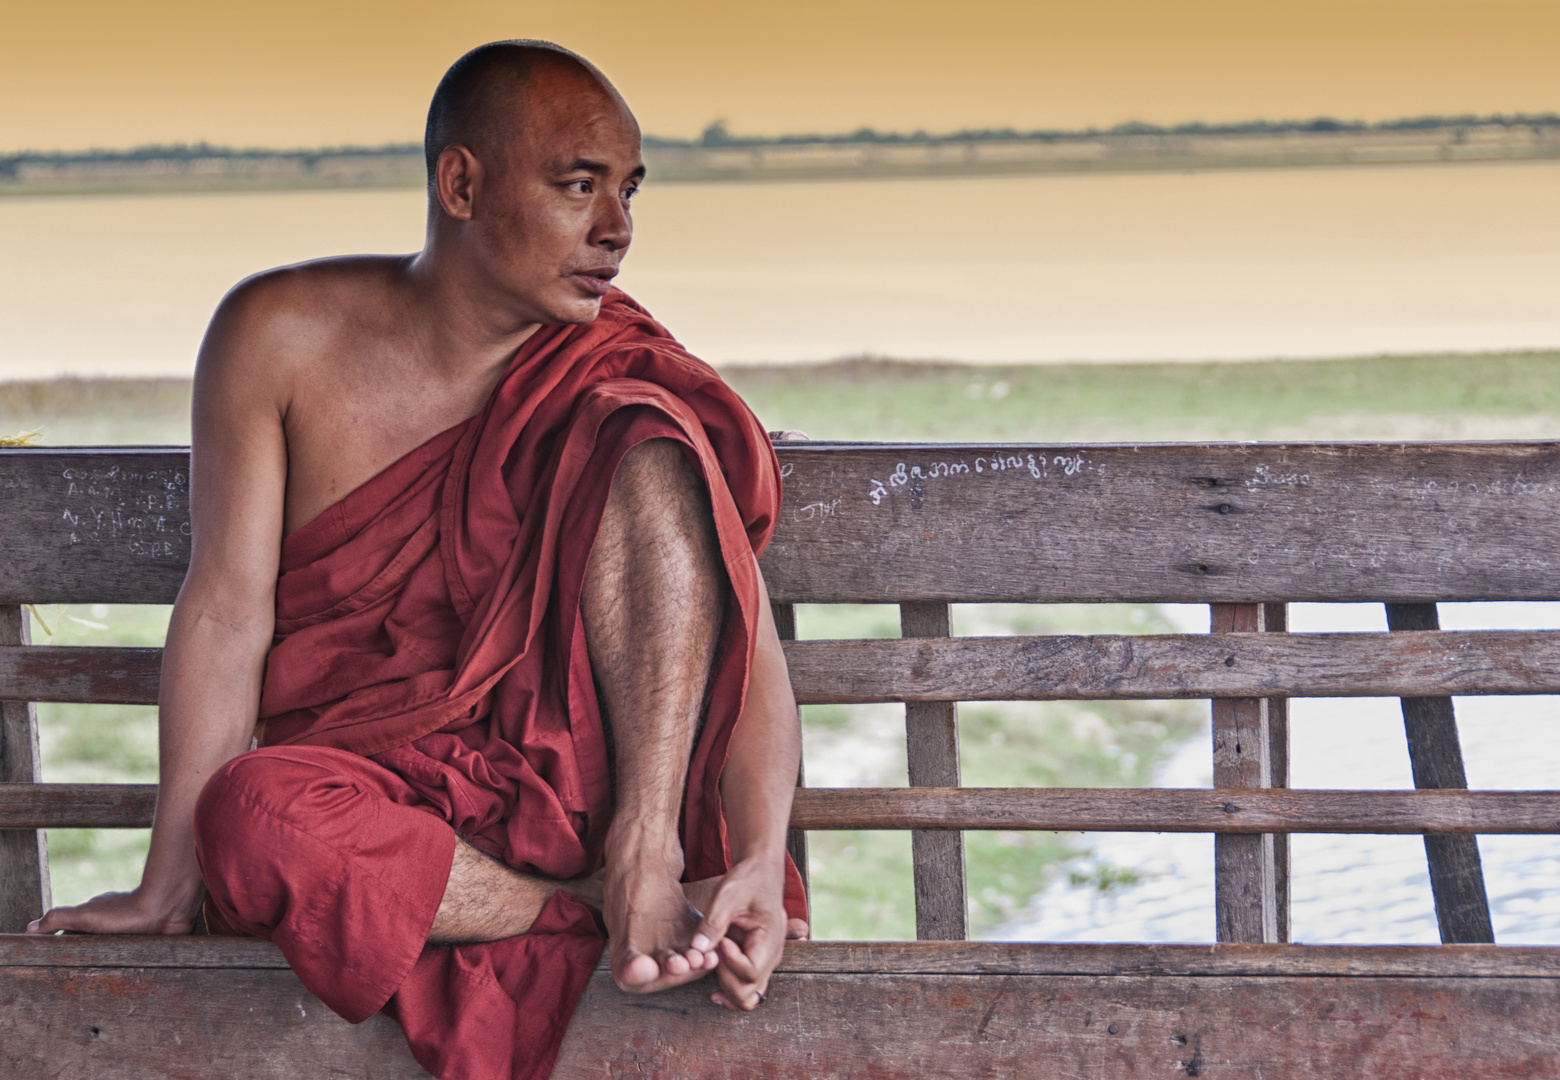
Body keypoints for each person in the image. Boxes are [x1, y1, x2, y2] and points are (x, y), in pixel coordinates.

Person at [27, 40, 808, 1080]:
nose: (616, 231)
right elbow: (225, 610)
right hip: (377, 818)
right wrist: (167, 882)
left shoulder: (619, 382)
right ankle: (591, 913)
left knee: (649, 433)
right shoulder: (281, 337)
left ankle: (643, 865)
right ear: (461, 184)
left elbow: (737, 645)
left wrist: (755, 857)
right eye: (579, 187)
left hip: (596, 808)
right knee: (252, 814)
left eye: (628, 191)